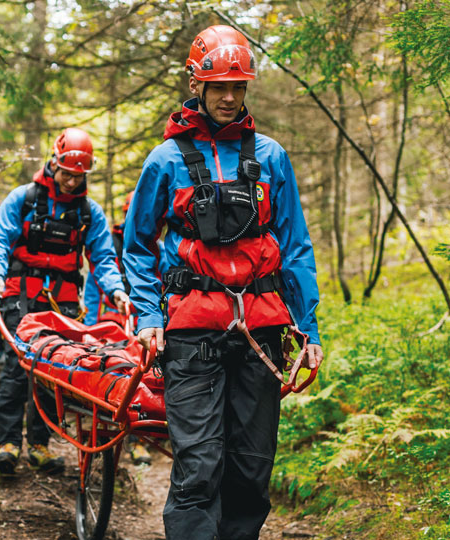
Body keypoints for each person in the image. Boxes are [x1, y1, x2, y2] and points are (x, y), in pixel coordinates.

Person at [122, 25, 324, 540]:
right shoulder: (166, 160)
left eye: (239, 86)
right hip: (191, 333)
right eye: (220, 87)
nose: (230, 97)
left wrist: (309, 327)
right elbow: (139, 246)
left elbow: (295, 245)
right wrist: (148, 316)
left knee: (252, 470)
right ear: (198, 86)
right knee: (199, 467)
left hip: (262, 331)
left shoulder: (272, 158)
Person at [0, 127, 129, 475]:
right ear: (53, 163)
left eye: (79, 176)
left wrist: (117, 289)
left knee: (54, 369)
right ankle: (7, 443)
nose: (71, 182)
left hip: (60, 304)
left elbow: (104, 258)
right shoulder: (24, 199)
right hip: (19, 297)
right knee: (17, 367)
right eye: (66, 174)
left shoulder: (89, 213)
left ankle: (39, 444)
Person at [83, 189, 168, 466]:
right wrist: (92, 328)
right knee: (117, 373)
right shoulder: (113, 245)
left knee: (145, 378)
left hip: (147, 325)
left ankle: (142, 437)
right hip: (112, 324)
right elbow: (95, 287)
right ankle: (111, 434)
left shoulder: (162, 250)